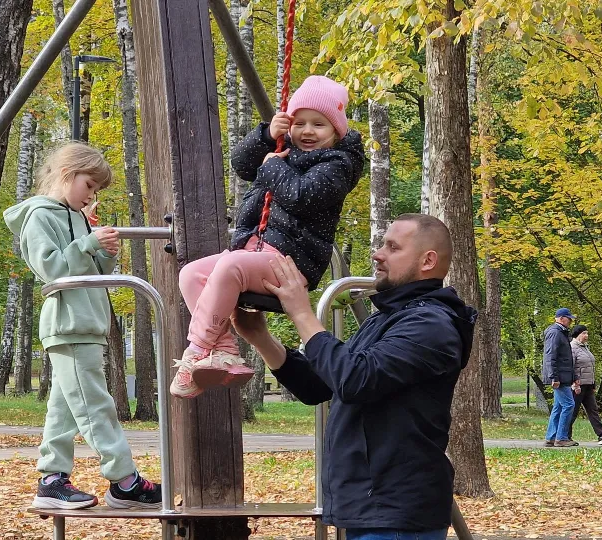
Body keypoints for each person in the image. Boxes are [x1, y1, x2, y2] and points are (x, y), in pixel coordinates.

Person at [232, 214, 476, 540]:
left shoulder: (431, 325)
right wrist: (261, 337)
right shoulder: (389, 320)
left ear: (427, 261)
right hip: (372, 509)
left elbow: (355, 379)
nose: (378, 254)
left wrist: (302, 313)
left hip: (396, 514)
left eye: (393, 247)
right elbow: (318, 384)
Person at [172, 75, 366, 398]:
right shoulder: (282, 150)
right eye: (299, 122)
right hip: (257, 249)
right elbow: (241, 164)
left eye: (318, 124)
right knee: (190, 274)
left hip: (290, 262)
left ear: (336, 131)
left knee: (230, 267)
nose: (306, 131)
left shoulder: (338, 165)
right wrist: (266, 135)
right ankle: (222, 348)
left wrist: (273, 167)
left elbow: (301, 195)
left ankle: (197, 349)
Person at [3, 142, 160, 510]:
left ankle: (52, 478)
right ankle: (124, 480)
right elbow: (53, 270)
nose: (92, 195)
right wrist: (88, 242)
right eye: (89, 185)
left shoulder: (74, 217)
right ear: (66, 175)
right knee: (95, 405)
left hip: (87, 323)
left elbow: (93, 272)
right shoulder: (40, 217)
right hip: (68, 324)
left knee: (64, 409)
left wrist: (103, 249)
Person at [568, 325, 602, 444]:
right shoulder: (572, 348)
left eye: (587, 333)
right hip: (578, 385)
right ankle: (564, 436)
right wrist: (575, 383)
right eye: (584, 333)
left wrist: (593, 383)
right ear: (577, 334)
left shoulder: (585, 348)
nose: (587, 336)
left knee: (593, 410)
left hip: (588, 385)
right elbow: (571, 367)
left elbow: (590, 367)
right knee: (572, 412)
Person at [543, 307, 580, 448]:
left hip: (564, 376)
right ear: (562, 318)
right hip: (559, 377)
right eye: (569, 318)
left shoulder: (561, 333)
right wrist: (554, 377)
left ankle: (551, 437)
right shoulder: (555, 333)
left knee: (558, 407)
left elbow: (566, 359)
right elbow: (550, 356)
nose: (570, 321)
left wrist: (574, 376)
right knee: (569, 404)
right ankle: (561, 438)